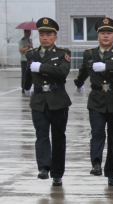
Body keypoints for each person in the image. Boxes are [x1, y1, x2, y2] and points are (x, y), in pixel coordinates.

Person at [74, 17, 113, 186]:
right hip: (97, 99)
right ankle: (96, 163)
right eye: (102, 33)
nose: (105, 36)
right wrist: (78, 84)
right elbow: (83, 72)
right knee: (97, 132)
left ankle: (112, 172)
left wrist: (106, 66)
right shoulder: (89, 54)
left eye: (109, 33)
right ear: (98, 35)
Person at [23, 17, 72, 186]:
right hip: (39, 101)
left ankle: (57, 173)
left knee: (58, 137)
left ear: (55, 37)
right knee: (41, 134)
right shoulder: (32, 54)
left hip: (58, 99)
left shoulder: (62, 54)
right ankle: (43, 167)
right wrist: (26, 86)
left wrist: (41, 67)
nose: (45, 38)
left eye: (48, 34)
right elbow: (27, 74)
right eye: (42, 34)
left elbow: (62, 72)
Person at [19, 29, 32, 93]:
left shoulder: (30, 40)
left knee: (29, 74)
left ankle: (28, 87)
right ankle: (23, 87)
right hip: (24, 59)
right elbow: (21, 50)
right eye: (28, 32)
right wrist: (28, 47)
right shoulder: (22, 41)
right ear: (25, 32)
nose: (29, 33)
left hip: (29, 59)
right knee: (24, 74)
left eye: (30, 32)